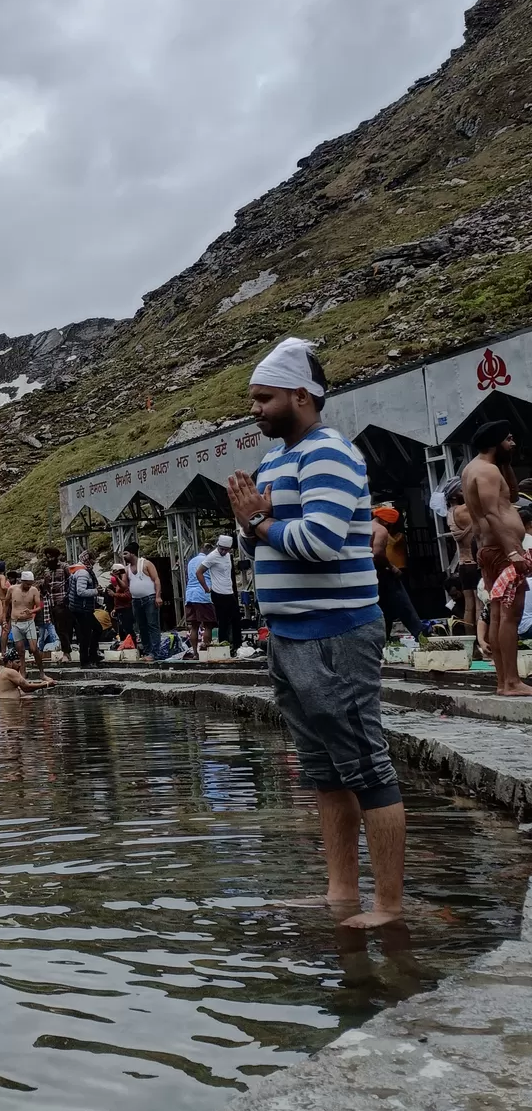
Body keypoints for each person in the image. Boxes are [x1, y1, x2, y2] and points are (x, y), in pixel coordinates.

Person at [227, 334, 404, 928]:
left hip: (336, 632)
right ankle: (340, 892)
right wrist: (257, 527)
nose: (254, 409)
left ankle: (389, 905)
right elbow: (269, 536)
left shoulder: (327, 453)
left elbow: (322, 544)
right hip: (290, 634)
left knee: (366, 766)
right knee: (325, 771)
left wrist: (258, 524)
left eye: (263, 398)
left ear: (300, 395)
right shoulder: (277, 461)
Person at [462, 422, 532, 697]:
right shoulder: (487, 471)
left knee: (498, 614)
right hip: (502, 552)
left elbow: (512, 496)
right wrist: (514, 551)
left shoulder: (476, 469)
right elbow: (493, 513)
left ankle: (503, 682)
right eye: (509, 439)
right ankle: (512, 682)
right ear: (494, 442)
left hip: (490, 551)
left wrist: (506, 463)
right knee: (509, 616)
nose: (514, 443)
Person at [370, 505, 423, 641]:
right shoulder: (381, 530)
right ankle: (421, 635)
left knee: (383, 608)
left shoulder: (364, 527)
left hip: (367, 573)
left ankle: (383, 640)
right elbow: (378, 553)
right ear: (386, 521)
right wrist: (391, 567)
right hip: (381, 572)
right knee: (403, 604)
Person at [445, 484, 485, 652]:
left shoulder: (450, 514)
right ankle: (482, 643)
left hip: (463, 564)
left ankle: (471, 647)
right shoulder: (464, 511)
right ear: (454, 495)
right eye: (461, 490)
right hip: (474, 563)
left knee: (469, 606)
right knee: (479, 605)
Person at [196, 534, 241, 655]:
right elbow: (199, 572)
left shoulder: (227, 556)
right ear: (218, 546)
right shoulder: (212, 556)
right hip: (218, 592)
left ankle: (237, 645)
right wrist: (206, 588)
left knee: (236, 619)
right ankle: (224, 645)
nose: (223, 551)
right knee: (223, 621)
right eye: (221, 549)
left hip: (229, 591)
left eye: (226, 549)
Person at [123, 544, 162, 658]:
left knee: (152, 625)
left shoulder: (146, 564)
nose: (123, 556)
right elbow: (124, 586)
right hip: (136, 600)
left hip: (149, 598)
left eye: (125, 553)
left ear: (132, 553)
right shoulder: (127, 569)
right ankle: (147, 650)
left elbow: (156, 579)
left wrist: (158, 596)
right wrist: (118, 577)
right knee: (141, 626)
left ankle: (155, 652)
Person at [67, 549, 104, 666]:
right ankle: (86, 659)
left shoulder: (79, 570)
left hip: (80, 607)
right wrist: (95, 591)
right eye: (93, 559)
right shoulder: (83, 573)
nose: (94, 562)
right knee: (87, 633)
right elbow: (81, 591)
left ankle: (91, 655)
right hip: (82, 608)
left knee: (90, 631)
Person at [183, 548, 217, 659]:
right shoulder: (208, 560)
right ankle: (206, 652)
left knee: (194, 626)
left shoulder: (191, 561)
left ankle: (195, 653)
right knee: (208, 625)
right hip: (203, 595)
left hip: (190, 595)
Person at [9, 569, 45, 670]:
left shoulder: (34, 590)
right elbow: (6, 603)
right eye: (27, 584)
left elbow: (39, 606)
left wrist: (31, 611)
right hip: (16, 622)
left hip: (28, 622)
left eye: (30, 584)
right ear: (22, 581)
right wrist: (4, 619)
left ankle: (41, 672)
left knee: (34, 648)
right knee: (20, 651)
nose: (29, 586)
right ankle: (23, 673)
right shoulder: (12, 589)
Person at [42, 549, 73, 662]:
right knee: (57, 628)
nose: (50, 559)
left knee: (63, 628)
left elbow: (71, 582)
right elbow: (46, 588)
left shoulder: (64, 567)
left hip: (63, 601)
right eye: (48, 557)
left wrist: (68, 597)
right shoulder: (47, 570)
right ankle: (66, 651)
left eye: (52, 557)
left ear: (56, 557)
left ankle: (66, 652)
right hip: (52, 603)